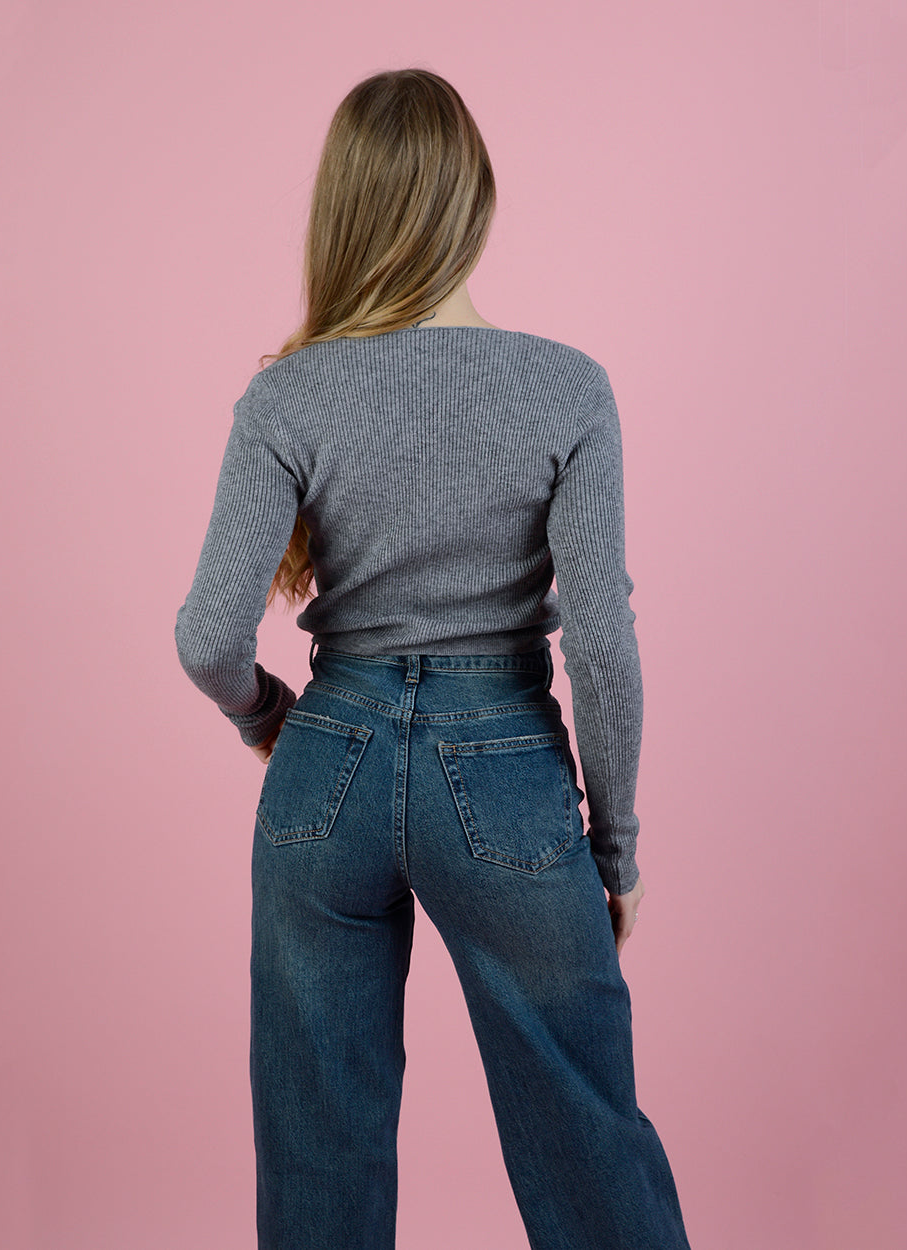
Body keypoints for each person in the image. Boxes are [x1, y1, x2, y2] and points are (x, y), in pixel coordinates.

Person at [174, 67, 693, 1250]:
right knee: (589, 1139)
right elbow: (600, 644)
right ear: (476, 198)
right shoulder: (567, 387)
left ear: (343, 210)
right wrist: (613, 845)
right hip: (504, 770)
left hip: (325, 768)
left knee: (318, 1158)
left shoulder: (286, 396)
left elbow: (207, 635)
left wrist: (266, 717)